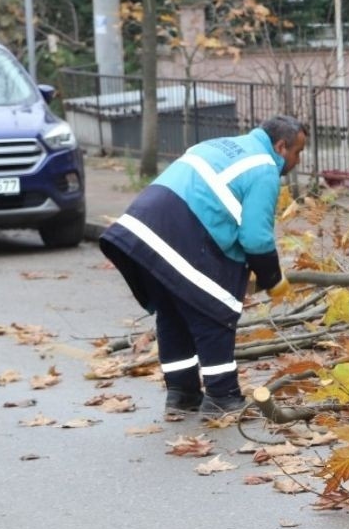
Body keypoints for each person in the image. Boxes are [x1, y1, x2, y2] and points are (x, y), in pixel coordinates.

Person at [100, 115, 307, 417]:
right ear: (280, 146)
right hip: (178, 233)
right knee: (214, 312)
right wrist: (273, 278)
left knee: (173, 312)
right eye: (298, 152)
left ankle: (181, 393)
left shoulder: (222, 145)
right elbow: (255, 238)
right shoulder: (263, 168)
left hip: (141, 228)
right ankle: (223, 396)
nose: (298, 160)